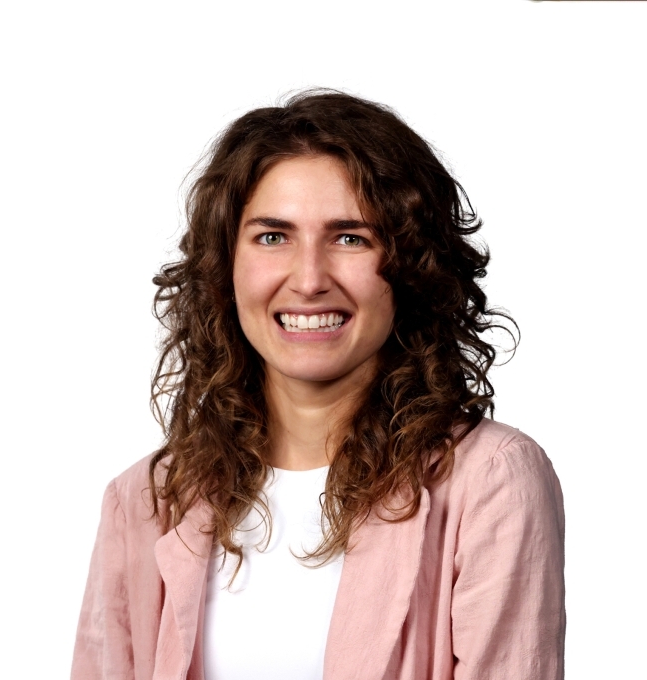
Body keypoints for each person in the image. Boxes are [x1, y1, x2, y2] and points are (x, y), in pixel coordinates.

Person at [71, 90, 565, 680]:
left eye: (351, 237)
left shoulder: (491, 482)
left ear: (411, 265)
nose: (308, 280)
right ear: (225, 264)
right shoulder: (149, 498)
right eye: (273, 236)